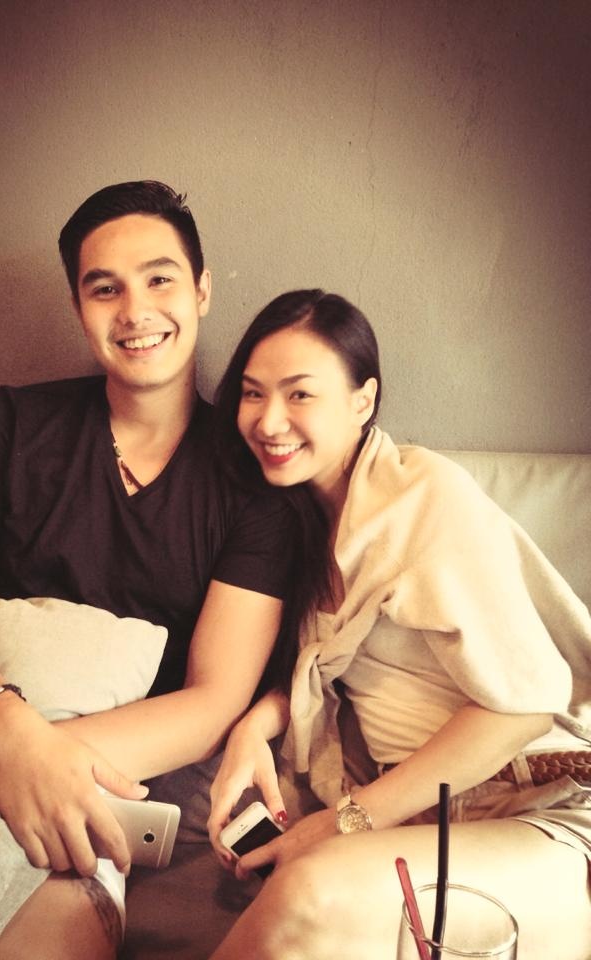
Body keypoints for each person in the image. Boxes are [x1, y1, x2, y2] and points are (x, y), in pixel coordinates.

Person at [0, 181, 297, 959]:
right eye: (106, 288)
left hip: (116, 768)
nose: (135, 310)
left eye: (160, 279)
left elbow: (213, 701)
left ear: (201, 290)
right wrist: (0, 728)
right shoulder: (9, 423)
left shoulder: (251, 482)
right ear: (78, 306)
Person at [206, 289, 591, 959]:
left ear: (363, 401)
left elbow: (525, 707)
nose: (269, 420)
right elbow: (323, 664)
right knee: (293, 887)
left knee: (307, 896)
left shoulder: (423, 497)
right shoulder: (297, 522)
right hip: (424, 820)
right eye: (252, 393)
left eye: (300, 394)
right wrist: (252, 729)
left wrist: (347, 822)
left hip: (539, 805)